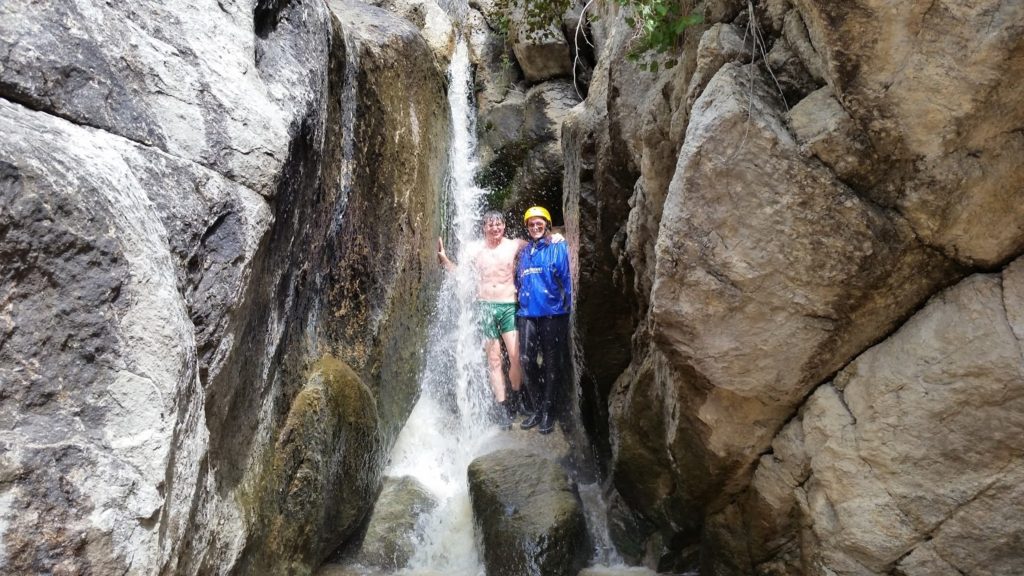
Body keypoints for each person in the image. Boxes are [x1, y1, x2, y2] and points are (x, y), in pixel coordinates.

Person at [437, 211, 529, 429]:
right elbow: (461, 274)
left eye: (498, 225)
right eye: (490, 225)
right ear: (484, 228)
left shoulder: (515, 245)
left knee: (515, 356)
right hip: (485, 307)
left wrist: (555, 236)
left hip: (508, 305)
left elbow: (539, 240)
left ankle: (517, 398)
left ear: (504, 226)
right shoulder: (474, 249)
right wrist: (444, 259)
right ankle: (502, 406)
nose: (495, 229)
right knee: (494, 359)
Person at [516, 206, 572, 434]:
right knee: (527, 361)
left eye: (539, 223)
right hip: (527, 313)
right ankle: (538, 408)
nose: (535, 227)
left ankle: (549, 412)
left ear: (547, 225)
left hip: (553, 313)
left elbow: (566, 278)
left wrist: (568, 307)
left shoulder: (558, 246)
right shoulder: (525, 252)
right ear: (527, 228)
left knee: (551, 364)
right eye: (531, 224)